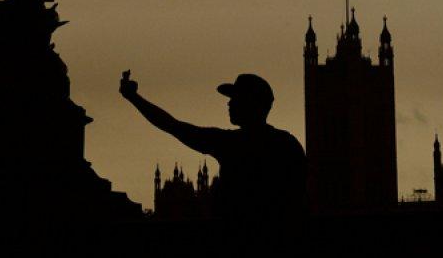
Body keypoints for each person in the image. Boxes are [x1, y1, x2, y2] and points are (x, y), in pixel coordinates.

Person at [119, 71, 305, 222]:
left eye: (235, 98)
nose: (229, 103)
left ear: (251, 103)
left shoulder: (231, 144)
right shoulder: (287, 143)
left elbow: (173, 126)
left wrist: (134, 98)